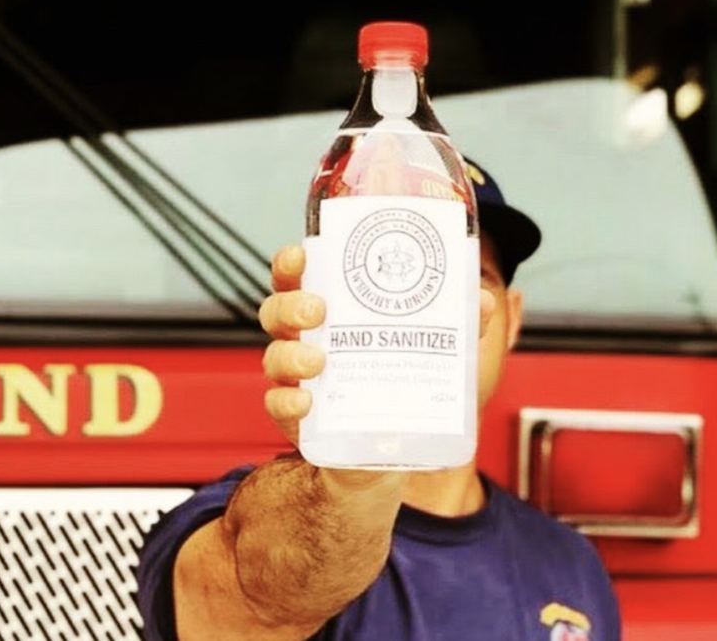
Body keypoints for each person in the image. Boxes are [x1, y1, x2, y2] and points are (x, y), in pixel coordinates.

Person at [136, 159, 622, 641]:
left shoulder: (571, 564)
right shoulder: (242, 525)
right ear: (324, 301)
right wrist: (358, 472)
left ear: (510, 319)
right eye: (388, 274)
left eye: (457, 280)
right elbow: (254, 608)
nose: (423, 310)